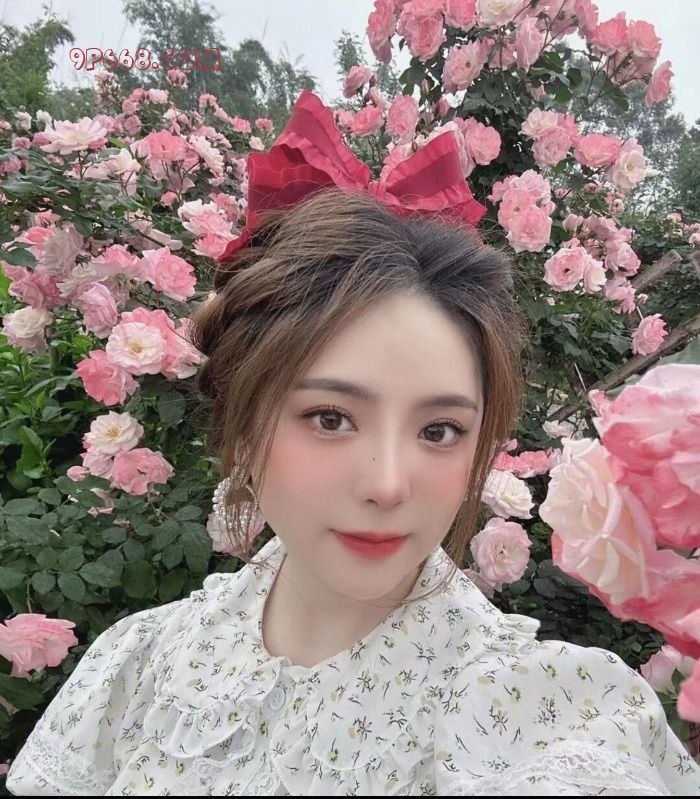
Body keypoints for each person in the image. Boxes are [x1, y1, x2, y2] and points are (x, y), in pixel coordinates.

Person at [6, 90, 700, 796]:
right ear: (242, 423)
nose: (388, 484)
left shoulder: (537, 713)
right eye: (331, 418)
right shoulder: (134, 667)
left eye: (440, 431)